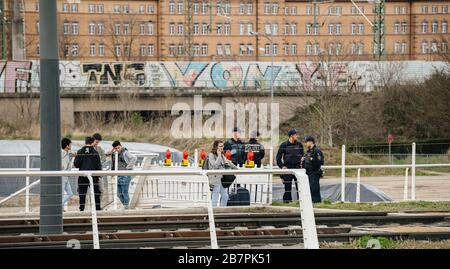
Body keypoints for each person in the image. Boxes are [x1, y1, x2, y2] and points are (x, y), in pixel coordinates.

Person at [205, 140, 237, 207]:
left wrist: (237, 169)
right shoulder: (211, 155)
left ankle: (222, 210)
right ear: (216, 147)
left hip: (222, 179)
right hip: (215, 180)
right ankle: (213, 212)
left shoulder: (222, 156)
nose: (222, 147)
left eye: (223, 146)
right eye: (220, 146)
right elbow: (215, 166)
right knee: (215, 197)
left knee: (225, 196)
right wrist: (219, 156)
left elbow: (229, 163)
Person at [73, 136, 102, 211]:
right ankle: (97, 208)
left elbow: (76, 164)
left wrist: (77, 158)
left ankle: (81, 209)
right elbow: (98, 165)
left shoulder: (79, 151)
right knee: (95, 192)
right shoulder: (95, 152)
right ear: (92, 142)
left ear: (85, 142)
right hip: (93, 176)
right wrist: (99, 175)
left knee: (82, 193)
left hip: (82, 175)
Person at [276, 128, 304, 203]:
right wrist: (282, 167)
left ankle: (300, 202)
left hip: (297, 168)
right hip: (287, 169)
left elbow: (303, 156)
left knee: (299, 187)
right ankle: (287, 202)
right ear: (291, 135)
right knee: (287, 188)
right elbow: (278, 158)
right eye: (296, 134)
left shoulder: (299, 144)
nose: (297, 136)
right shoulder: (284, 145)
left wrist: (302, 165)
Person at [111, 141, 137, 209]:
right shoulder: (115, 153)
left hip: (125, 175)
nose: (117, 149)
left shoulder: (125, 152)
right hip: (118, 175)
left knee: (124, 191)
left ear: (121, 146)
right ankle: (126, 206)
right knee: (118, 193)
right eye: (115, 148)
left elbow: (134, 158)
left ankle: (126, 206)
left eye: (118, 148)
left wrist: (128, 168)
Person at [302, 136, 324, 203]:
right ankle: (311, 202)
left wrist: (310, 159)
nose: (305, 144)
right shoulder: (308, 151)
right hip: (308, 173)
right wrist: (303, 159)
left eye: (306, 142)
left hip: (314, 173)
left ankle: (317, 202)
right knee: (310, 188)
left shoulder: (316, 151)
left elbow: (320, 161)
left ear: (311, 142)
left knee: (314, 189)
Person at [61, 138, 75, 209]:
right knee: (61, 193)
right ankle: (60, 207)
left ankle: (60, 205)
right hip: (62, 175)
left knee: (70, 193)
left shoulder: (68, 153)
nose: (71, 146)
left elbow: (74, 154)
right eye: (70, 144)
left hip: (66, 176)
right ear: (67, 146)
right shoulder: (62, 153)